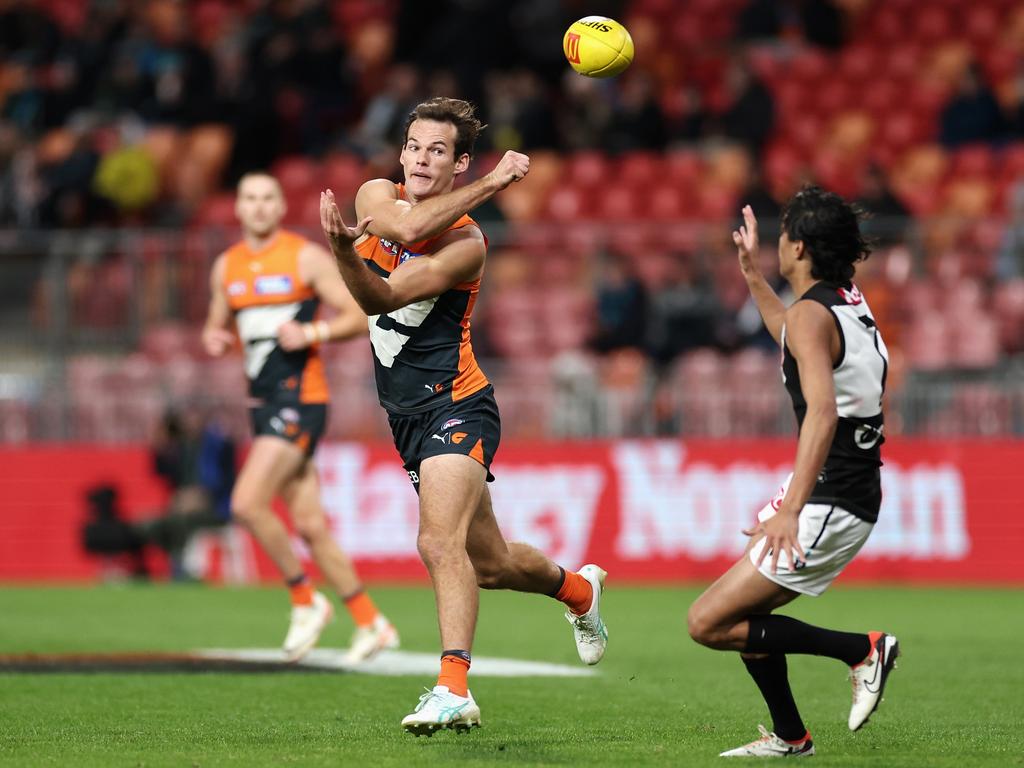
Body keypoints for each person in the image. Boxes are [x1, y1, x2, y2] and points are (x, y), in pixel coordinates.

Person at [318, 97, 608, 735]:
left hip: (460, 405)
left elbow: (399, 273)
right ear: (401, 153)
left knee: (435, 542)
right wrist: (343, 251)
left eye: (438, 151)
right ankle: (580, 592)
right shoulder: (375, 193)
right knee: (493, 565)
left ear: (460, 163)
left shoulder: (469, 244)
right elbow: (377, 283)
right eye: (415, 147)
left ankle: (453, 687)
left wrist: (496, 185)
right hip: (406, 418)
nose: (423, 159)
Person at [687, 188, 899, 757]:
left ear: (798, 246)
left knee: (707, 622)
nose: (777, 241)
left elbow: (823, 414)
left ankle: (862, 649)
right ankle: (790, 736)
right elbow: (793, 334)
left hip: (834, 494)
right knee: (741, 615)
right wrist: (753, 274)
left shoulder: (812, 315)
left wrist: (790, 509)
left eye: (782, 235)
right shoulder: (840, 301)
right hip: (848, 485)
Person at [202, 171, 399, 663]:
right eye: (250, 197)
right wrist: (213, 336)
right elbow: (215, 319)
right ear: (239, 208)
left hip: (301, 399)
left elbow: (358, 315)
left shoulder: (304, 257)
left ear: (280, 206)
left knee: (247, 504)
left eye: (268, 197)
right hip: (263, 404)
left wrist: (312, 336)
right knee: (310, 525)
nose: (260, 206)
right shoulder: (226, 267)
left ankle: (304, 598)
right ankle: (371, 622)